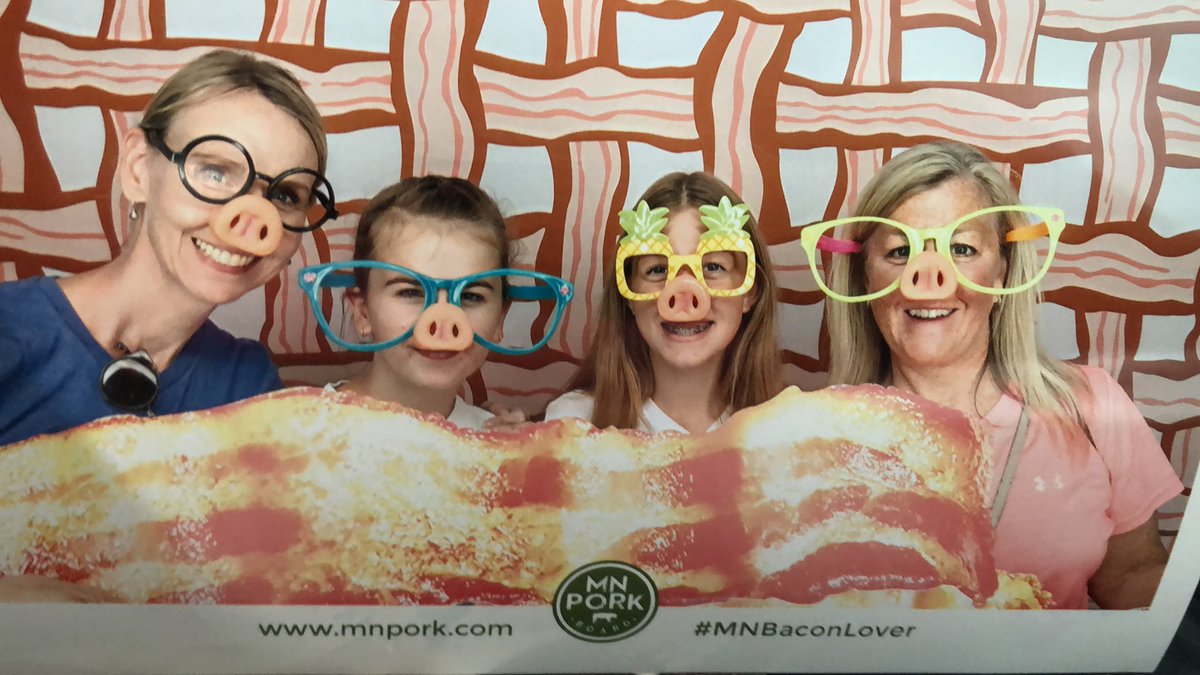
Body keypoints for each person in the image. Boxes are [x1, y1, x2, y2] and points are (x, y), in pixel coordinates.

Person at [0, 50, 336, 599]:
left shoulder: (248, 387)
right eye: (215, 171)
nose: (252, 220)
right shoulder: (8, 330)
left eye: (283, 195)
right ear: (139, 169)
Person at [807, 139, 1182, 609]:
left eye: (962, 248)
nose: (929, 276)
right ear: (865, 276)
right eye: (900, 252)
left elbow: (1132, 576)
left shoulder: (1092, 407)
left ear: (1003, 271)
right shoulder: (811, 437)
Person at [298, 176, 572, 430]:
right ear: (362, 312)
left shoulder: (499, 441)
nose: (442, 322)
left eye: (470, 296)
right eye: (410, 293)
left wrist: (520, 459)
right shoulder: (298, 431)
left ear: (500, 318)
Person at [544, 171, 782, 434]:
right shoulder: (572, 424)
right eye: (657, 270)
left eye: (713, 267)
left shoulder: (787, 429)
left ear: (750, 292)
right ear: (628, 294)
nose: (684, 296)